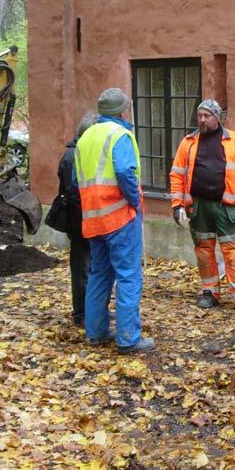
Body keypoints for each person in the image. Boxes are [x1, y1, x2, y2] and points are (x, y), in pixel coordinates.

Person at [74, 88, 155, 353]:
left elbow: (78, 180)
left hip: (92, 219)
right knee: (129, 277)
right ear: (123, 111)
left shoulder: (85, 137)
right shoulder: (120, 135)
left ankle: (95, 333)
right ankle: (128, 338)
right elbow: (124, 171)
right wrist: (134, 201)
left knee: (99, 274)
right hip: (119, 217)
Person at [169, 99, 235, 313]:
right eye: (200, 116)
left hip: (226, 206)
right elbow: (176, 174)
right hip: (198, 205)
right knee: (204, 250)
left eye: (207, 116)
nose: (202, 120)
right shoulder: (188, 142)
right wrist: (177, 205)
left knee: (233, 250)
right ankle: (210, 291)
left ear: (217, 118)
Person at [56, 112, 98, 327]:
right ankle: (81, 313)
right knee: (83, 266)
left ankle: (88, 311)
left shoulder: (78, 153)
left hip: (85, 217)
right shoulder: (74, 156)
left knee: (89, 265)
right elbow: (73, 193)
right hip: (80, 219)